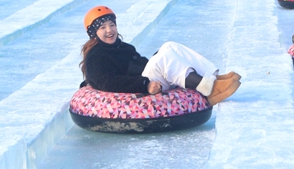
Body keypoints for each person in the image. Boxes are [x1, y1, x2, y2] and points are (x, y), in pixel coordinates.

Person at [79, 6, 240, 105]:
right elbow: (108, 82)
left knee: (169, 46)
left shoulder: (123, 47)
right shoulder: (96, 56)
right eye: (102, 28)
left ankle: (212, 78)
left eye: (112, 25)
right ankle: (209, 89)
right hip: (139, 87)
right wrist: (144, 84)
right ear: (94, 33)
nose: (109, 30)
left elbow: (140, 65)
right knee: (163, 58)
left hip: (146, 80)